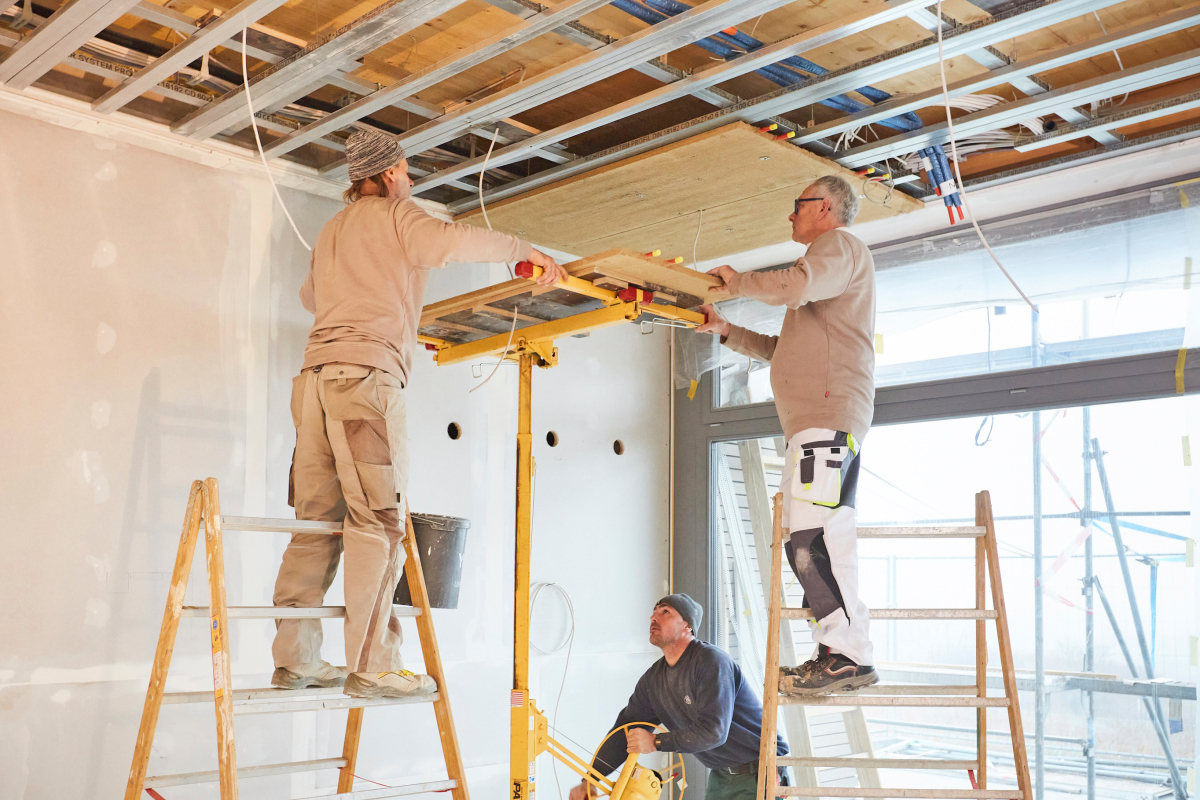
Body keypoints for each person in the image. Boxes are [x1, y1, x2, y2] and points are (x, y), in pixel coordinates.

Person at [271, 129, 567, 699]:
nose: (409, 181)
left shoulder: (333, 230)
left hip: (312, 384)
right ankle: (374, 665)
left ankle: (296, 659)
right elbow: (448, 242)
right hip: (365, 381)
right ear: (385, 175)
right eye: (405, 171)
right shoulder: (397, 214)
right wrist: (522, 251)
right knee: (377, 524)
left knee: (316, 524)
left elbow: (310, 298)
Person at [696, 175, 878, 696]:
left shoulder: (838, 247)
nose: (790, 216)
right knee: (810, 540)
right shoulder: (825, 277)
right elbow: (785, 351)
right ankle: (836, 650)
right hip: (817, 423)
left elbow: (793, 286)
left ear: (824, 207)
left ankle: (848, 655)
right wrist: (727, 330)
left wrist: (737, 282)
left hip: (826, 420)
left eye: (797, 206)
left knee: (816, 539)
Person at [569, 595, 788, 800]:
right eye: (654, 612)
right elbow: (625, 731)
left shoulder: (711, 661)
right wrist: (590, 779)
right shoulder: (654, 680)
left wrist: (655, 742)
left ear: (687, 625)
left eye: (665, 612)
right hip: (721, 776)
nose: (654, 617)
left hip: (760, 772)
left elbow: (714, 731)